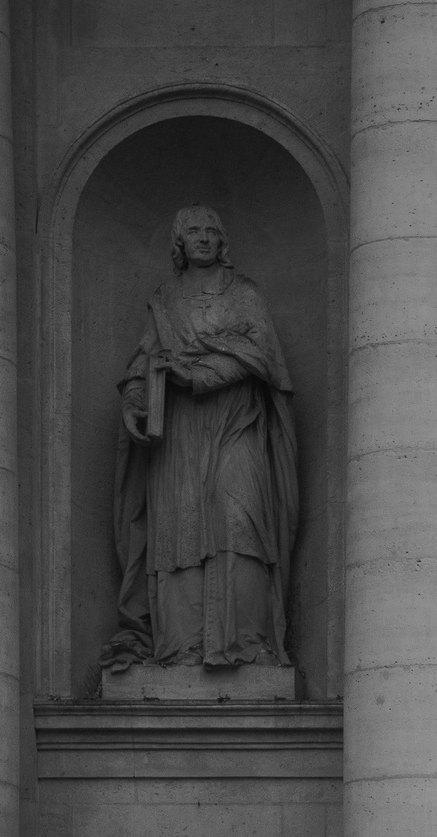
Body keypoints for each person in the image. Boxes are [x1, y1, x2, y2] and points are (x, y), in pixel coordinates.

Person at [101, 205, 300, 677]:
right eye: (194, 231)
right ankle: (182, 647)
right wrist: (134, 402)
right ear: (180, 242)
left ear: (222, 240)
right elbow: (142, 362)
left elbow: (263, 356)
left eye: (212, 230)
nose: (204, 238)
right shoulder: (164, 299)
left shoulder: (245, 294)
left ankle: (247, 641)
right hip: (180, 434)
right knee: (181, 528)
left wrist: (197, 375)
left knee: (240, 520)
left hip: (236, 422)